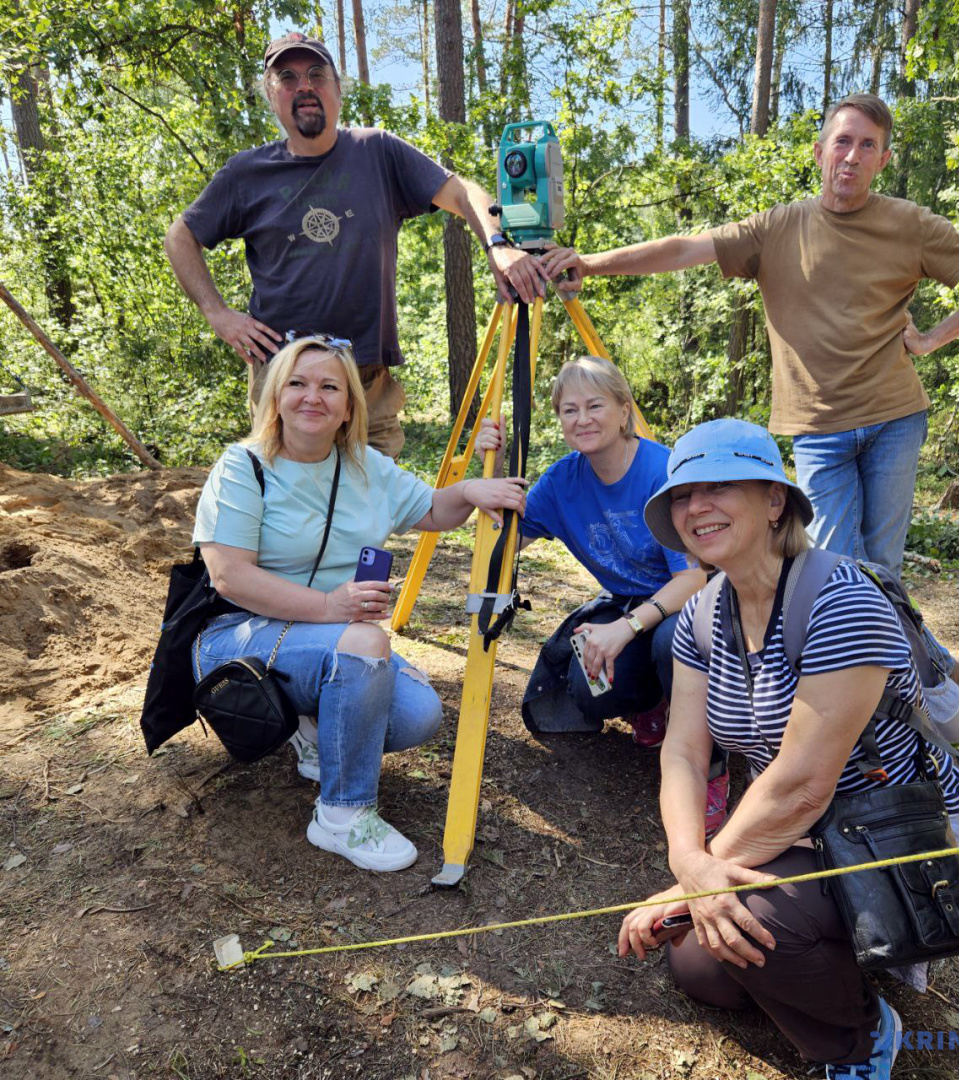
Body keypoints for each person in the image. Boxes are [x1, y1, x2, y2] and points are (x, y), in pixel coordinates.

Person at [540, 93, 959, 585]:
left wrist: (932, 340)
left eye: (867, 145)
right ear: (820, 151)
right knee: (834, 563)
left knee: (882, 563)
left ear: (884, 159)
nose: (852, 155)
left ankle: (900, 663)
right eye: (842, 142)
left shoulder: (910, 224)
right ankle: (922, 660)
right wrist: (591, 263)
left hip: (894, 418)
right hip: (818, 428)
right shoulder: (777, 227)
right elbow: (685, 248)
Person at [616, 418, 959, 1079]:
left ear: (775, 501)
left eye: (719, 487)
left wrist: (684, 887)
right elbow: (685, 753)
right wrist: (689, 861)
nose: (697, 507)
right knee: (703, 965)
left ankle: (861, 1041)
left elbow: (803, 784)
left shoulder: (841, 600)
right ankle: (830, 959)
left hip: (890, 829)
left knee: (750, 927)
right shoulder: (702, 610)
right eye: (683, 496)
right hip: (803, 830)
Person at [192, 335, 527, 871]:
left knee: (418, 715)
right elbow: (230, 578)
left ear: (350, 407)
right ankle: (342, 814)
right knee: (366, 640)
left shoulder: (367, 466)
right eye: (298, 384)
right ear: (274, 396)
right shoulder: (242, 466)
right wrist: (332, 606)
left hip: (330, 637)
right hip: (238, 640)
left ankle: (312, 729)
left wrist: (467, 493)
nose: (313, 397)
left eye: (331, 387)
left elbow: (433, 512)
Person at [165, 31, 548, 459]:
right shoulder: (247, 173)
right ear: (271, 95)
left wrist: (498, 245)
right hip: (284, 381)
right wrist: (216, 313)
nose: (304, 86)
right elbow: (181, 236)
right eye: (287, 77)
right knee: (286, 511)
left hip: (366, 382)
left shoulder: (377, 152)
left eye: (316, 74)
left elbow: (462, 193)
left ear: (337, 89)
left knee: (370, 511)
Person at [476, 357, 728, 832]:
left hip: (696, 606)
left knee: (671, 640)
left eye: (595, 405)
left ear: (622, 409)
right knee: (588, 691)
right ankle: (653, 706)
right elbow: (498, 549)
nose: (583, 419)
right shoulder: (562, 482)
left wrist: (624, 629)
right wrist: (491, 479)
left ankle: (710, 768)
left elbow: (695, 579)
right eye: (569, 410)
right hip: (628, 607)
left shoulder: (662, 471)